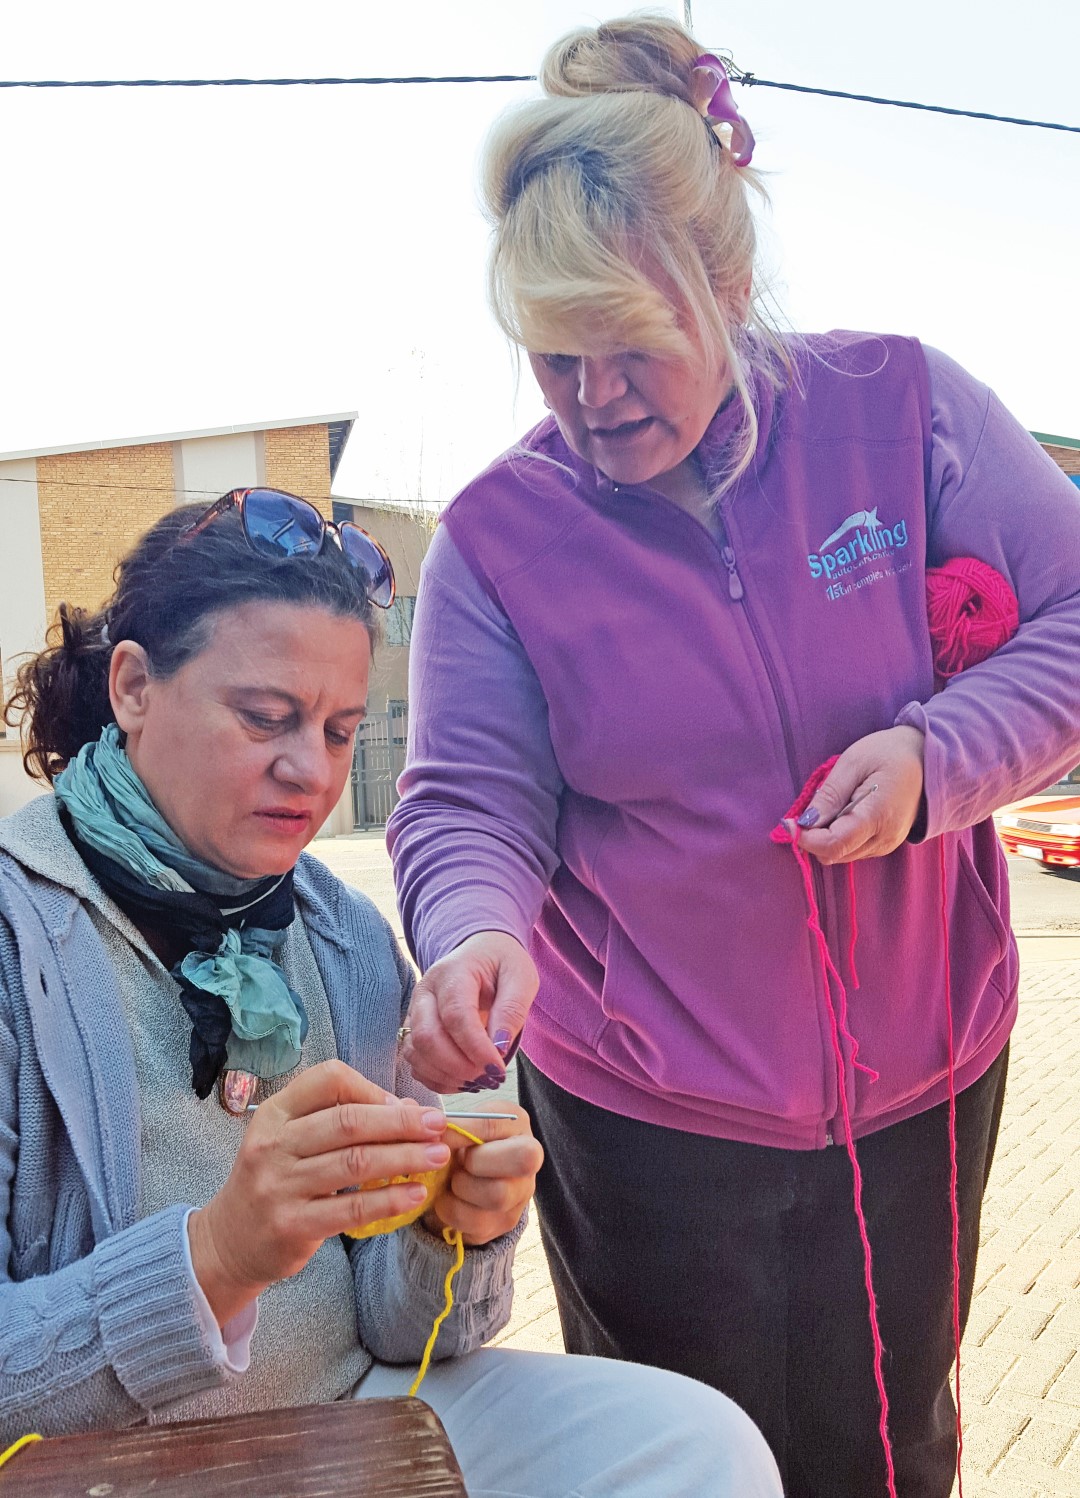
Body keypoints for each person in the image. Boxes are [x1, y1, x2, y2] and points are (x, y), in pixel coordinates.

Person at [386, 15, 1080, 1498]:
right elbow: (466, 800)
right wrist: (474, 934)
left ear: (732, 285)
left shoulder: (902, 411)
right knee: (686, 1460)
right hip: (644, 1116)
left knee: (897, 1446)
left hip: (922, 1078)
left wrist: (934, 757)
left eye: (632, 347)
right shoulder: (501, 540)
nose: (592, 400)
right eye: (552, 358)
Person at [0, 489, 782, 1498]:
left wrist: (450, 1224)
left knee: (696, 1446)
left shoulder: (340, 931)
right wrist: (216, 1258)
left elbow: (408, 1334)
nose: (309, 772)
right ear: (135, 685)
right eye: (265, 717)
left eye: (338, 729)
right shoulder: (23, 935)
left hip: (346, 1416)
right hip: (100, 1468)